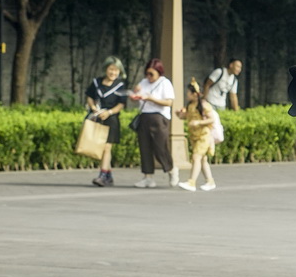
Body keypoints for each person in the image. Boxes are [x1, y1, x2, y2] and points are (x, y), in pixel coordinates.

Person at [128, 58, 177, 188]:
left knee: (160, 147)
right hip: (144, 116)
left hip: (158, 117)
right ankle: (148, 176)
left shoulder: (164, 83)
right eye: (147, 73)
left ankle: (171, 170)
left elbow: (169, 102)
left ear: (159, 72)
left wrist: (151, 98)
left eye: (152, 74)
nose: (148, 77)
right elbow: (137, 99)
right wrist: (135, 94)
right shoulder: (143, 82)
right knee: (145, 147)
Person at [84, 56, 127, 187]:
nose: (113, 73)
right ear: (106, 69)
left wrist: (109, 112)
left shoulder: (120, 86)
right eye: (111, 69)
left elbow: (121, 104)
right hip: (97, 117)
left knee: (106, 147)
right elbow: (89, 97)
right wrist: (93, 109)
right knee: (101, 148)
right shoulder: (96, 82)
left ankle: (102, 175)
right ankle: (109, 176)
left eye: (116, 70)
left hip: (111, 119)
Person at [176, 79, 217, 192]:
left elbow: (211, 119)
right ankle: (210, 181)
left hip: (204, 135)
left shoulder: (203, 105)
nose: (187, 95)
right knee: (203, 159)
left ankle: (191, 182)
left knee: (196, 157)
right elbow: (187, 117)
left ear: (195, 94)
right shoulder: (191, 105)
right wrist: (180, 115)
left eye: (188, 93)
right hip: (194, 136)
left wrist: (198, 122)